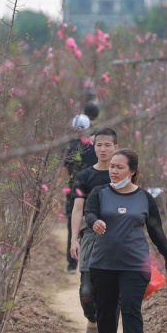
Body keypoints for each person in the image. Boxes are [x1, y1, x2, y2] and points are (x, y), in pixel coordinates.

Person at [84, 148, 167, 333]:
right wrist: (95, 222)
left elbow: (157, 233)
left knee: (130, 307)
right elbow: (89, 213)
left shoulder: (144, 198)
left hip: (135, 264)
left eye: (119, 167)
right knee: (106, 308)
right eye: (112, 167)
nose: (113, 171)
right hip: (102, 263)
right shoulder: (99, 192)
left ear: (132, 171)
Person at [68, 128, 118, 333]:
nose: (103, 149)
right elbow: (77, 209)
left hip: (117, 237)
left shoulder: (123, 174)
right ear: (93, 147)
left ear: (116, 147)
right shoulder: (84, 176)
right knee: (88, 291)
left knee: (113, 291)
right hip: (89, 236)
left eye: (108, 145)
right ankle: (92, 318)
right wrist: (74, 239)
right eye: (99, 145)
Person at [61, 113, 97, 273]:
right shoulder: (94, 147)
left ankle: (71, 264)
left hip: (73, 189)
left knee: (72, 225)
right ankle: (92, 262)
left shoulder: (68, 147)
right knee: (94, 224)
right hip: (92, 190)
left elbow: (63, 167)